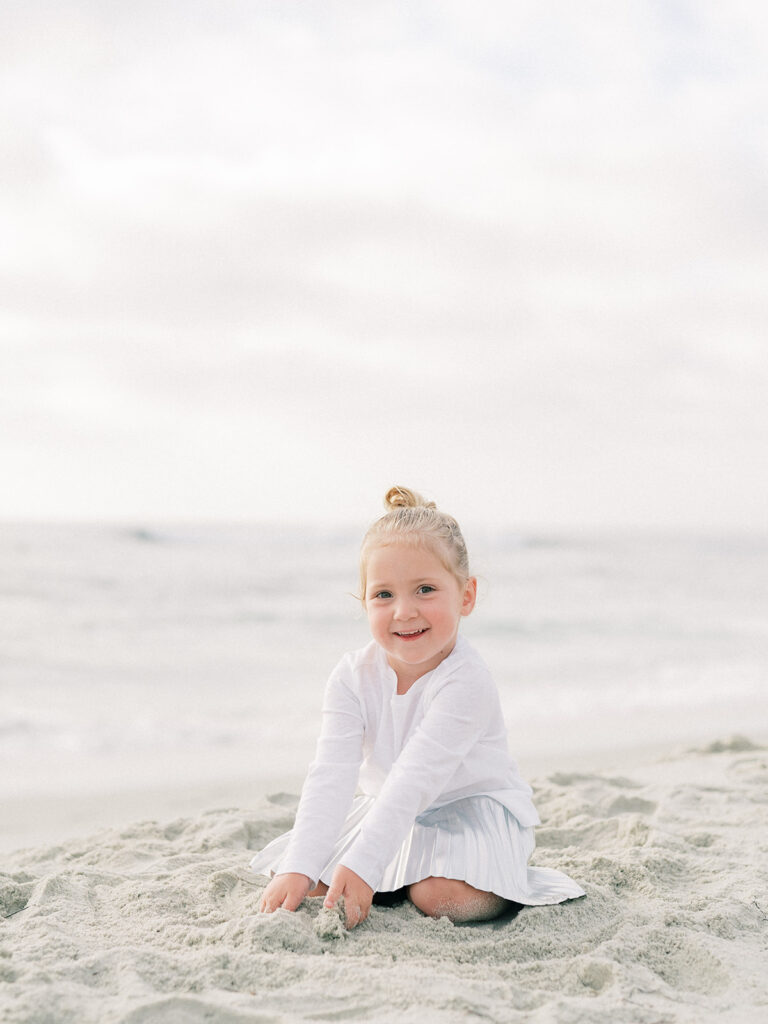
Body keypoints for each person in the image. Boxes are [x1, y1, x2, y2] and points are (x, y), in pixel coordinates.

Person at [252, 486, 585, 928]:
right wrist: (301, 863)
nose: (404, 611)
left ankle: (481, 882)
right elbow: (331, 773)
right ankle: (390, 873)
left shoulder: (466, 680)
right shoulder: (351, 676)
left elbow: (415, 777)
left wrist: (366, 864)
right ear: (364, 601)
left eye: (425, 589)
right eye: (383, 595)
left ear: (466, 596)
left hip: (472, 808)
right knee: (306, 877)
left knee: (438, 895)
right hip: (388, 809)